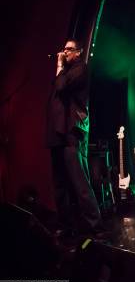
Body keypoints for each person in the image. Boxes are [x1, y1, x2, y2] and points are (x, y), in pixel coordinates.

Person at [46, 38, 104, 239]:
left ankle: (95, 227)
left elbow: (61, 88)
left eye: (70, 49)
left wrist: (60, 65)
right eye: (64, 49)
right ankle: (65, 225)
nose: (65, 52)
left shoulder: (81, 69)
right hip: (57, 133)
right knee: (60, 184)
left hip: (72, 131)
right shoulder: (64, 72)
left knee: (80, 182)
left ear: (79, 52)